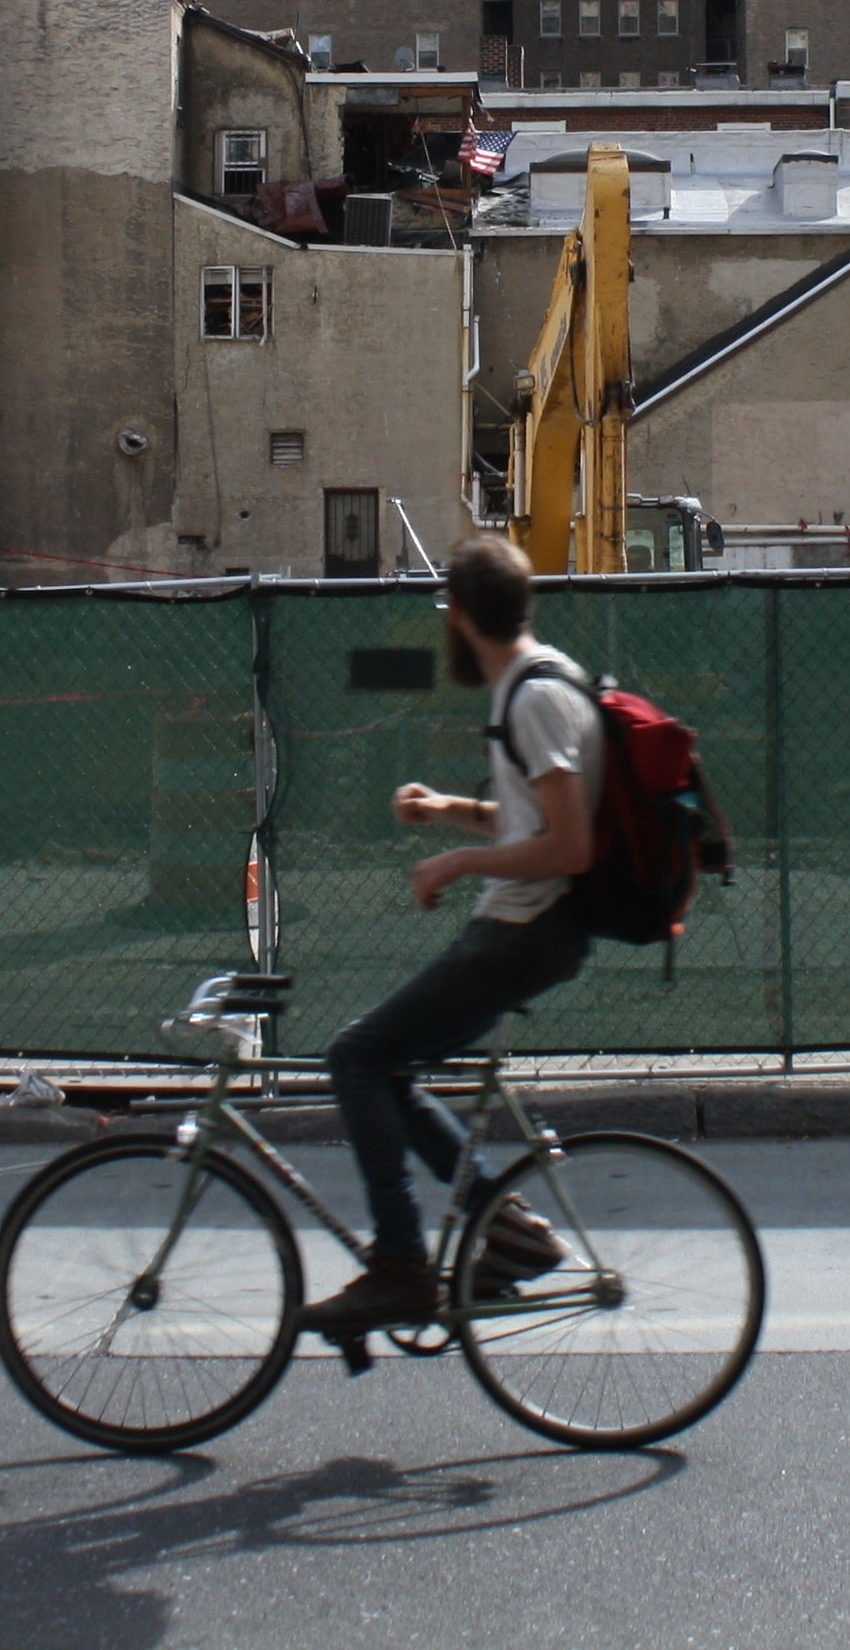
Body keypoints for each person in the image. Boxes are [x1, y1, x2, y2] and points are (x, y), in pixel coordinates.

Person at [294, 532, 593, 1339]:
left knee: (355, 1057)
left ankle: (400, 1267)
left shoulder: (531, 698)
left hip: (521, 931)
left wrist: (459, 861)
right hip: (529, 929)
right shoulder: (547, 679)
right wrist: (449, 812)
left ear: (457, 615)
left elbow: (571, 846)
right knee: (385, 1067)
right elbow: (540, 818)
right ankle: (509, 1228)